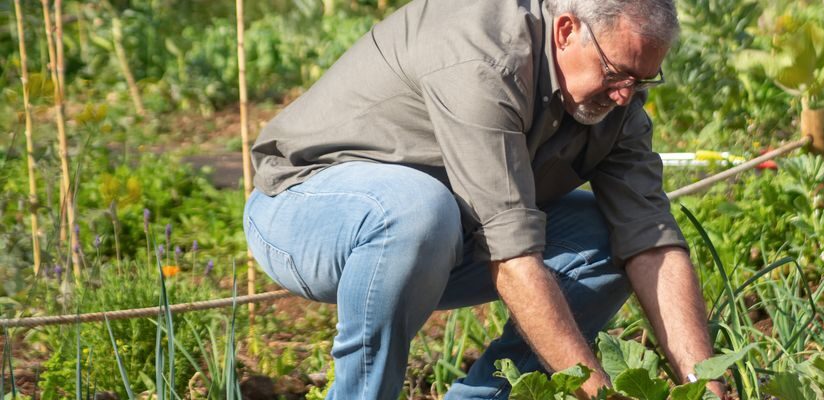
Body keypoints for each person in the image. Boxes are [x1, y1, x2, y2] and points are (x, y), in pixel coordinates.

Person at [244, 0, 724, 398]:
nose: (625, 96)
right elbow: (512, 255)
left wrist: (705, 385)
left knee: (608, 238)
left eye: (642, 80)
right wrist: (597, 394)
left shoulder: (618, 106)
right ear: (565, 31)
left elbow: (653, 244)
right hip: (305, 208)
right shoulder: (484, 57)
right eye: (618, 73)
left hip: (441, 234)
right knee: (417, 209)